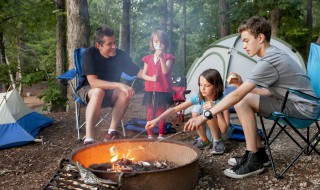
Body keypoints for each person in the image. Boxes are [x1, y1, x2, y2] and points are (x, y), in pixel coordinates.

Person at [183, 16, 319, 179]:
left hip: (303, 110)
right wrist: (241, 85)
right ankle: (258, 153)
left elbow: (239, 95)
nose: (244, 46)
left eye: (246, 41)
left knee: (242, 101)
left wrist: (205, 116)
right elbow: (267, 93)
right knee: (244, 99)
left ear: (260, 38)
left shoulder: (270, 60)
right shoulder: (273, 55)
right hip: (294, 103)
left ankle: (254, 158)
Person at [77, 26, 145, 145]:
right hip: (89, 90)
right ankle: (89, 138)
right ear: (99, 46)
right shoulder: (90, 54)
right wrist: (119, 85)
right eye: (109, 44)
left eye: (114, 42)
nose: (114, 46)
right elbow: (93, 82)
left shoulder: (120, 55)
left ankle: (111, 133)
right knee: (99, 91)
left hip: (111, 92)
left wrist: (155, 73)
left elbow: (139, 72)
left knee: (124, 93)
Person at [145, 69, 234, 154]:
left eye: (207, 86)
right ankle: (204, 140)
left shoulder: (223, 100)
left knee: (208, 111)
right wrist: (156, 120)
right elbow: (175, 109)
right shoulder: (199, 97)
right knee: (196, 110)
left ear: (216, 86)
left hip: (223, 134)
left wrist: (216, 109)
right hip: (209, 131)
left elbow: (224, 129)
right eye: (200, 85)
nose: (202, 88)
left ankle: (218, 142)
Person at [142, 30, 175, 140]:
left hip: (164, 89)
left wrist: (161, 57)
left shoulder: (169, 57)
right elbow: (143, 74)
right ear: (152, 43)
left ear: (165, 44)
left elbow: (165, 71)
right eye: (156, 42)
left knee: (161, 112)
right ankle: (150, 134)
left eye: (161, 42)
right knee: (151, 111)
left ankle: (161, 134)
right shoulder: (147, 58)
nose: (158, 44)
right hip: (150, 89)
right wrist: (151, 78)